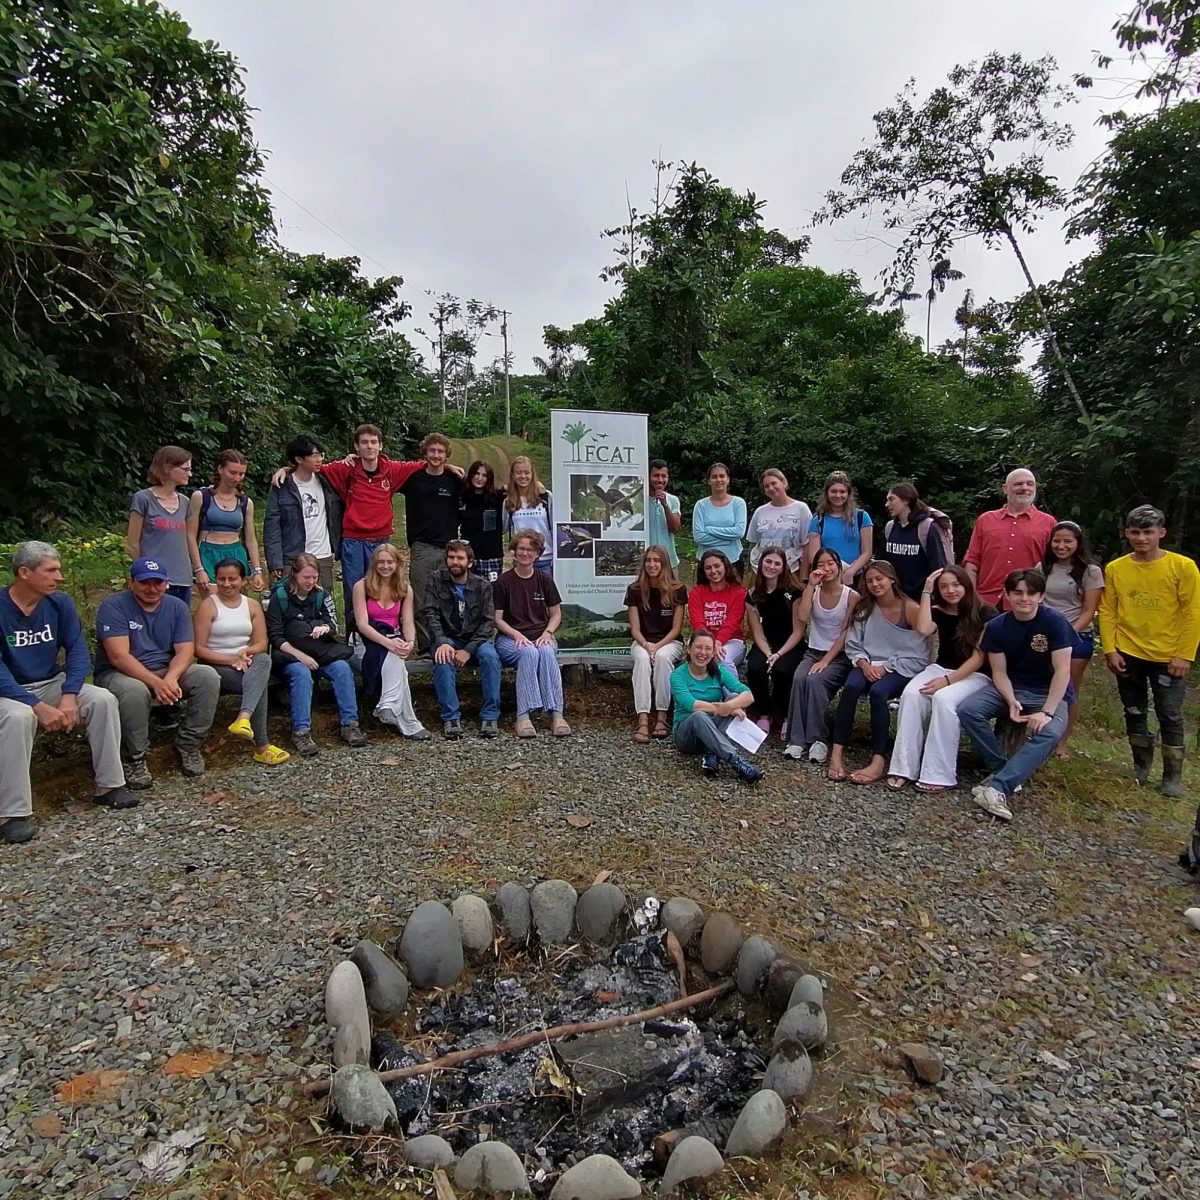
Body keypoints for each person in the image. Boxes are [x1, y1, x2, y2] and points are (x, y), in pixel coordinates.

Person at [0, 542, 136, 844]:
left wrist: (69, 694)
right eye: (51, 570)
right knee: (19, 717)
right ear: (24, 572)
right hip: (8, 690)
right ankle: (12, 813)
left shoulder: (59, 603)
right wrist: (36, 705)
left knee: (102, 699)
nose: (59, 577)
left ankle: (110, 786)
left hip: (49, 682)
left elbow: (77, 652)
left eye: (59, 569)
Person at [272, 424, 425, 630]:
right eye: (364, 442)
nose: (369, 447)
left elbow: (425, 465)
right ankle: (354, 634)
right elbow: (309, 466)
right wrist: (286, 469)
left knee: (381, 586)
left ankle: (384, 629)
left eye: (373, 442)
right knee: (354, 589)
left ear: (381, 446)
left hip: (380, 540)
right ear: (356, 446)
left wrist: (449, 467)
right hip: (353, 539)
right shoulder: (345, 469)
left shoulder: (392, 469)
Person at [1098, 504, 1200, 799]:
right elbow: (1108, 611)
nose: (1142, 538)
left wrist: (1184, 654)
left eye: (1148, 532)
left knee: (1170, 713)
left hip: (1168, 656)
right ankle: (1141, 765)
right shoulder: (1116, 568)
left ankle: (1172, 776)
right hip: (1128, 651)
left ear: (1161, 533)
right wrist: (1109, 649)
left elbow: (1193, 613)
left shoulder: (1182, 567)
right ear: (1127, 533)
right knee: (1134, 710)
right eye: (1136, 532)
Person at [958, 569, 1075, 821]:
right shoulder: (997, 626)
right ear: (1007, 595)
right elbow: (999, 671)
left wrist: (1046, 712)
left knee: (1052, 732)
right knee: (969, 709)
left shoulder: (1055, 622)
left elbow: (1063, 671)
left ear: (1041, 596)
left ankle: (998, 787)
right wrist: (1011, 700)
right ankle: (1003, 768)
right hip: (1011, 686)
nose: (1025, 598)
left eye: (1031, 593)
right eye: (1018, 593)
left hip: (1048, 692)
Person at [94, 557, 220, 783]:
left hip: (164, 669)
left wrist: (170, 678)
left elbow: (185, 650)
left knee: (207, 676)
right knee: (133, 691)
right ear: (131, 582)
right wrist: (156, 683)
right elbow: (118, 656)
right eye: (145, 583)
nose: (152, 589)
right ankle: (136, 757)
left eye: (157, 583)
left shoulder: (177, 607)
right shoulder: (114, 607)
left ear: (167, 584)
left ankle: (189, 744)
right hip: (120, 673)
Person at [886, 566, 997, 791]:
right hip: (941, 668)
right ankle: (903, 767)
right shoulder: (938, 610)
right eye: (944, 586)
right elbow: (924, 628)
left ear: (966, 585)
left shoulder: (986, 612)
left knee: (944, 700)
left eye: (956, 585)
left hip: (975, 675)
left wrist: (948, 681)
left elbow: (978, 657)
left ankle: (938, 774)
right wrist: (927, 590)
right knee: (911, 694)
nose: (951, 591)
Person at [827, 560, 931, 785]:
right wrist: (864, 664)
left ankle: (878, 758)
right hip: (867, 662)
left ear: (892, 579)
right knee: (852, 687)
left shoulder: (909, 609)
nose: (875, 584)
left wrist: (887, 667)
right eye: (870, 580)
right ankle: (836, 752)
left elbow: (920, 653)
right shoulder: (865, 608)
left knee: (878, 693)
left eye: (879, 579)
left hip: (901, 665)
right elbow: (854, 643)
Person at [191, 558, 290, 766]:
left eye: (232, 579)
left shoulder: (251, 605)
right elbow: (198, 648)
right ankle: (262, 745)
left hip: (246, 663)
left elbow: (261, 643)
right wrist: (231, 659)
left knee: (262, 661)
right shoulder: (208, 606)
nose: (227, 584)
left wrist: (245, 651)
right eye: (221, 579)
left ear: (243, 580)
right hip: (216, 665)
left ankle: (243, 718)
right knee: (258, 682)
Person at [267, 553, 365, 757]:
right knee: (301, 675)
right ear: (294, 575)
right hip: (290, 654)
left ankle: (350, 724)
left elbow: (334, 625)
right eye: (306, 577)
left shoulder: (322, 595)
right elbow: (275, 636)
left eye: (314, 577)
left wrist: (325, 629)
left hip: (320, 651)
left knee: (342, 669)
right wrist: (299, 655)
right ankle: (301, 731)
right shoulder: (281, 597)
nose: (311, 582)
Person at [783, 548, 859, 764]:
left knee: (815, 681)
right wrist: (810, 586)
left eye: (831, 563)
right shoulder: (813, 591)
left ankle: (819, 739)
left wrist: (826, 661)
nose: (826, 568)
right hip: (813, 650)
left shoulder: (851, 596)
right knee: (799, 678)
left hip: (840, 656)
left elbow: (846, 632)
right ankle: (796, 739)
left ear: (839, 565)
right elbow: (802, 616)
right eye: (821, 564)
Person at [423, 539, 501, 739]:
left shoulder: (482, 585)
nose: (455, 562)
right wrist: (441, 641)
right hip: (447, 637)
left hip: (476, 639)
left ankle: (490, 716)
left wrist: (469, 650)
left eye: (460, 558)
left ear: (470, 562)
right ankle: (451, 717)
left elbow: (488, 622)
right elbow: (430, 614)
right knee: (442, 658)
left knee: (491, 657)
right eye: (451, 557)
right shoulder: (435, 579)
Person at [493, 531, 569, 736]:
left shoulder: (544, 579)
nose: (525, 553)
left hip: (541, 635)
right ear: (514, 552)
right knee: (529, 652)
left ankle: (556, 714)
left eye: (530, 549)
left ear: (537, 554)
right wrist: (517, 635)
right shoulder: (503, 582)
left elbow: (556, 614)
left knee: (544, 651)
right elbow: (497, 619)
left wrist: (548, 633)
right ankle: (523, 716)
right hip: (510, 639)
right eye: (521, 548)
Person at [1040, 521, 1104, 760]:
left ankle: (1063, 741)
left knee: (1068, 690)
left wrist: (1066, 634)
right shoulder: (1043, 567)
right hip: (1043, 636)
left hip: (1077, 637)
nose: (1062, 546)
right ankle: (1040, 732)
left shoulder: (1090, 572)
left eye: (1068, 541)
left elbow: (1089, 610)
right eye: (1057, 540)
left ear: (1078, 543)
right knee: (1041, 685)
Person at [351, 544, 429, 741]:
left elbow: (407, 621)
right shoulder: (361, 587)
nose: (385, 566)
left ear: (397, 564)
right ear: (374, 564)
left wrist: (409, 642)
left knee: (398, 655)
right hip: (366, 640)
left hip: (393, 637)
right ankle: (406, 719)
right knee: (396, 656)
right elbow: (362, 625)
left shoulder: (404, 589)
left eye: (390, 562)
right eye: (381, 562)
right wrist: (390, 643)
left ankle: (389, 707)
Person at [669, 630, 763, 785]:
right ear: (689, 648)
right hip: (687, 734)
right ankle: (737, 762)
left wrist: (730, 705)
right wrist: (726, 710)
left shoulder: (718, 672)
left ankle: (711, 752)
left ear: (713, 652)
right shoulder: (678, 675)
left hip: (712, 728)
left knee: (734, 697)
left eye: (708, 649)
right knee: (699, 715)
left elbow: (748, 695)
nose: (703, 653)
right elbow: (690, 704)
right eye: (699, 647)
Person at [400, 433, 463, 651]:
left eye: (440, 452)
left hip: (448, 548)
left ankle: (447, 642)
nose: (436, 455)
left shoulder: (455, 481)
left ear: (447, 455)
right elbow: (385, 472)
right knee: (421, 599)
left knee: (447, 598)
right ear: (425, 453)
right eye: (432, 451)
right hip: (422, 548)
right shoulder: (412, 479)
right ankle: (427, 646)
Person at [962, 467, 1057, 608]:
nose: (1025, 488)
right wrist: (972, 597)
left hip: (1028, 602)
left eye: (1030, 484)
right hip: (987, 602)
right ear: (1005, 489)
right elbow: (972, 561)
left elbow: (1053, 566)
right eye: (1018, 484)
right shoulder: (985, 520)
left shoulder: (1049, 523)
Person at [263, 435, 343, 595]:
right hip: (292, 555)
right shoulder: (282, 485)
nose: (319, 459)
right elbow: (272, 527)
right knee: (288, 599)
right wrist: (275, 561)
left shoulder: (327, 481)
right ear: (299, 458)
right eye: (314, 455)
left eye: (321, 455)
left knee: (322, 601)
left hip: (323, 554)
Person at [627, 545, 687, 742]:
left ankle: (662, 716)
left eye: (656, 561)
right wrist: (646, 645)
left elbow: (676, 629)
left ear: (664, 564)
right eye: (649, 560)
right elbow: (635, 629)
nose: (652, 565)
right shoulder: (635, 590)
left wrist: (658, 646)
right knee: (642, 660)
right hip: (642, 642)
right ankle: (643, 718)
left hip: (669, 642)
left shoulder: (677, 589)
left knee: (662, 657)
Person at [187, 450, 265, 597]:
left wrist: (257, 570)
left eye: (241, 474)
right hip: (208, 552)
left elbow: (250, 539)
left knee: (235, 603)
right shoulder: (201, 497)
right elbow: (190, 535)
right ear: (221, 469)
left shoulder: (245, 502)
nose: (237, 478)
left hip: (235, 552)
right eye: (232, 472)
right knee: (212, 602)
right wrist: (198, 568)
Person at [745, 547, 805, 735]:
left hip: (790, 644)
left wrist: (779, 654)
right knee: (755, 667)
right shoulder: (753, 594)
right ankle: (763, 712)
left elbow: (798, 631)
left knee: (783, 669)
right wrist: (769, 653)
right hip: (766, 644)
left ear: (783, 567)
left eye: (777, 563)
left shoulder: (794, 593)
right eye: (768, 561)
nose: (771, 566)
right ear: (761, 563)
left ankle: (785, 714)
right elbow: (757, 631)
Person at [127, 445, 194, 603]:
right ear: (167, 468)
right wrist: (142, 574)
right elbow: (132, 543)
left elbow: (189, 539)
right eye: (185, 469)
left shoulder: (185, 502)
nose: (189, 474)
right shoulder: (143, 499)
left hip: (182, 579)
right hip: (154, 581)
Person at [881, 482, 948, 599]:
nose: (887, 504)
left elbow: (938, 564)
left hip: (921, 596)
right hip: (894, 595)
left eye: (891, 499)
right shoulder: (890, 528)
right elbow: (883, 562)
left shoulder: (926, 527)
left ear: (906, 500)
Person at [807, 471, 873, 586]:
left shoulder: (862, 517)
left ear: (848, 494)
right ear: (827, 493)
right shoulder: (818, 520)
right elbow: (813, 556)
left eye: (842, 492)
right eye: (833, 491)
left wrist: (850, 572)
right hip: (827, 577)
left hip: (855, 577)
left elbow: (867, 552)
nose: (838, 495)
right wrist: (835, 570)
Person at [687, 550, 748, 670]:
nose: (713, 571)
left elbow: (732, 623)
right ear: (703, 571)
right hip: (702, 639)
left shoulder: (739, 592)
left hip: (731, 641)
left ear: (725, 567)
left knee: (722, 660)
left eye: (717, 566)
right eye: (708, 568)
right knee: (698, 660)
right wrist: (708, 644)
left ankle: (735, 689)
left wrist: (718, 642)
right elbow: (697, 622)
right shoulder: (696, 593)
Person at [746, 469, 812, 574]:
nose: (771, 488)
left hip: (791, 570)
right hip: (762, 570)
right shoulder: (760, 511)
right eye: (766, 486)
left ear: (784, 482)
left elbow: (807, 544)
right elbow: (753, 543)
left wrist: (803, 577)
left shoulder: (801, 508)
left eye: (773, 483)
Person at [692, 463, 747, 575]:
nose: (718, 480)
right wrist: (728, 540)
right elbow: (699, 537)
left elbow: (739, 532)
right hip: (706, 563)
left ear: (728, 479)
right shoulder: (701, 505)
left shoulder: (738, 503)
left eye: (722, 476)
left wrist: (709, 529)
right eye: (714, 477)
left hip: (733, 561)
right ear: (708, 481)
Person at [503, 456, 553, 573]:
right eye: (518, 473)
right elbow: (503, 528)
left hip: (545, 559)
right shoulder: (508, 501)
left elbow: (554, 527)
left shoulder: (545, 497)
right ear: (513, 475)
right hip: (522, 559)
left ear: (532, 474)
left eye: (527, 472)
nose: (523, 476)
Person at [459, 459, 506, 582]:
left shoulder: (498, 497)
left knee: (490, 595)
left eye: (484, 475)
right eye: (476, 474)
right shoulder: (462, 497)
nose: (479, 478)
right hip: (468, 555)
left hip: (491, 557)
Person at [646, 460, 683, 569]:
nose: (660, 480)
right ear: (648, 476)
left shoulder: (673, 500)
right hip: (647, 564)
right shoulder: (639, 501)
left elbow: (676, 528)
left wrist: (665, 505)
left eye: (664, 476)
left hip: (669, 562)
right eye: (656, 476)